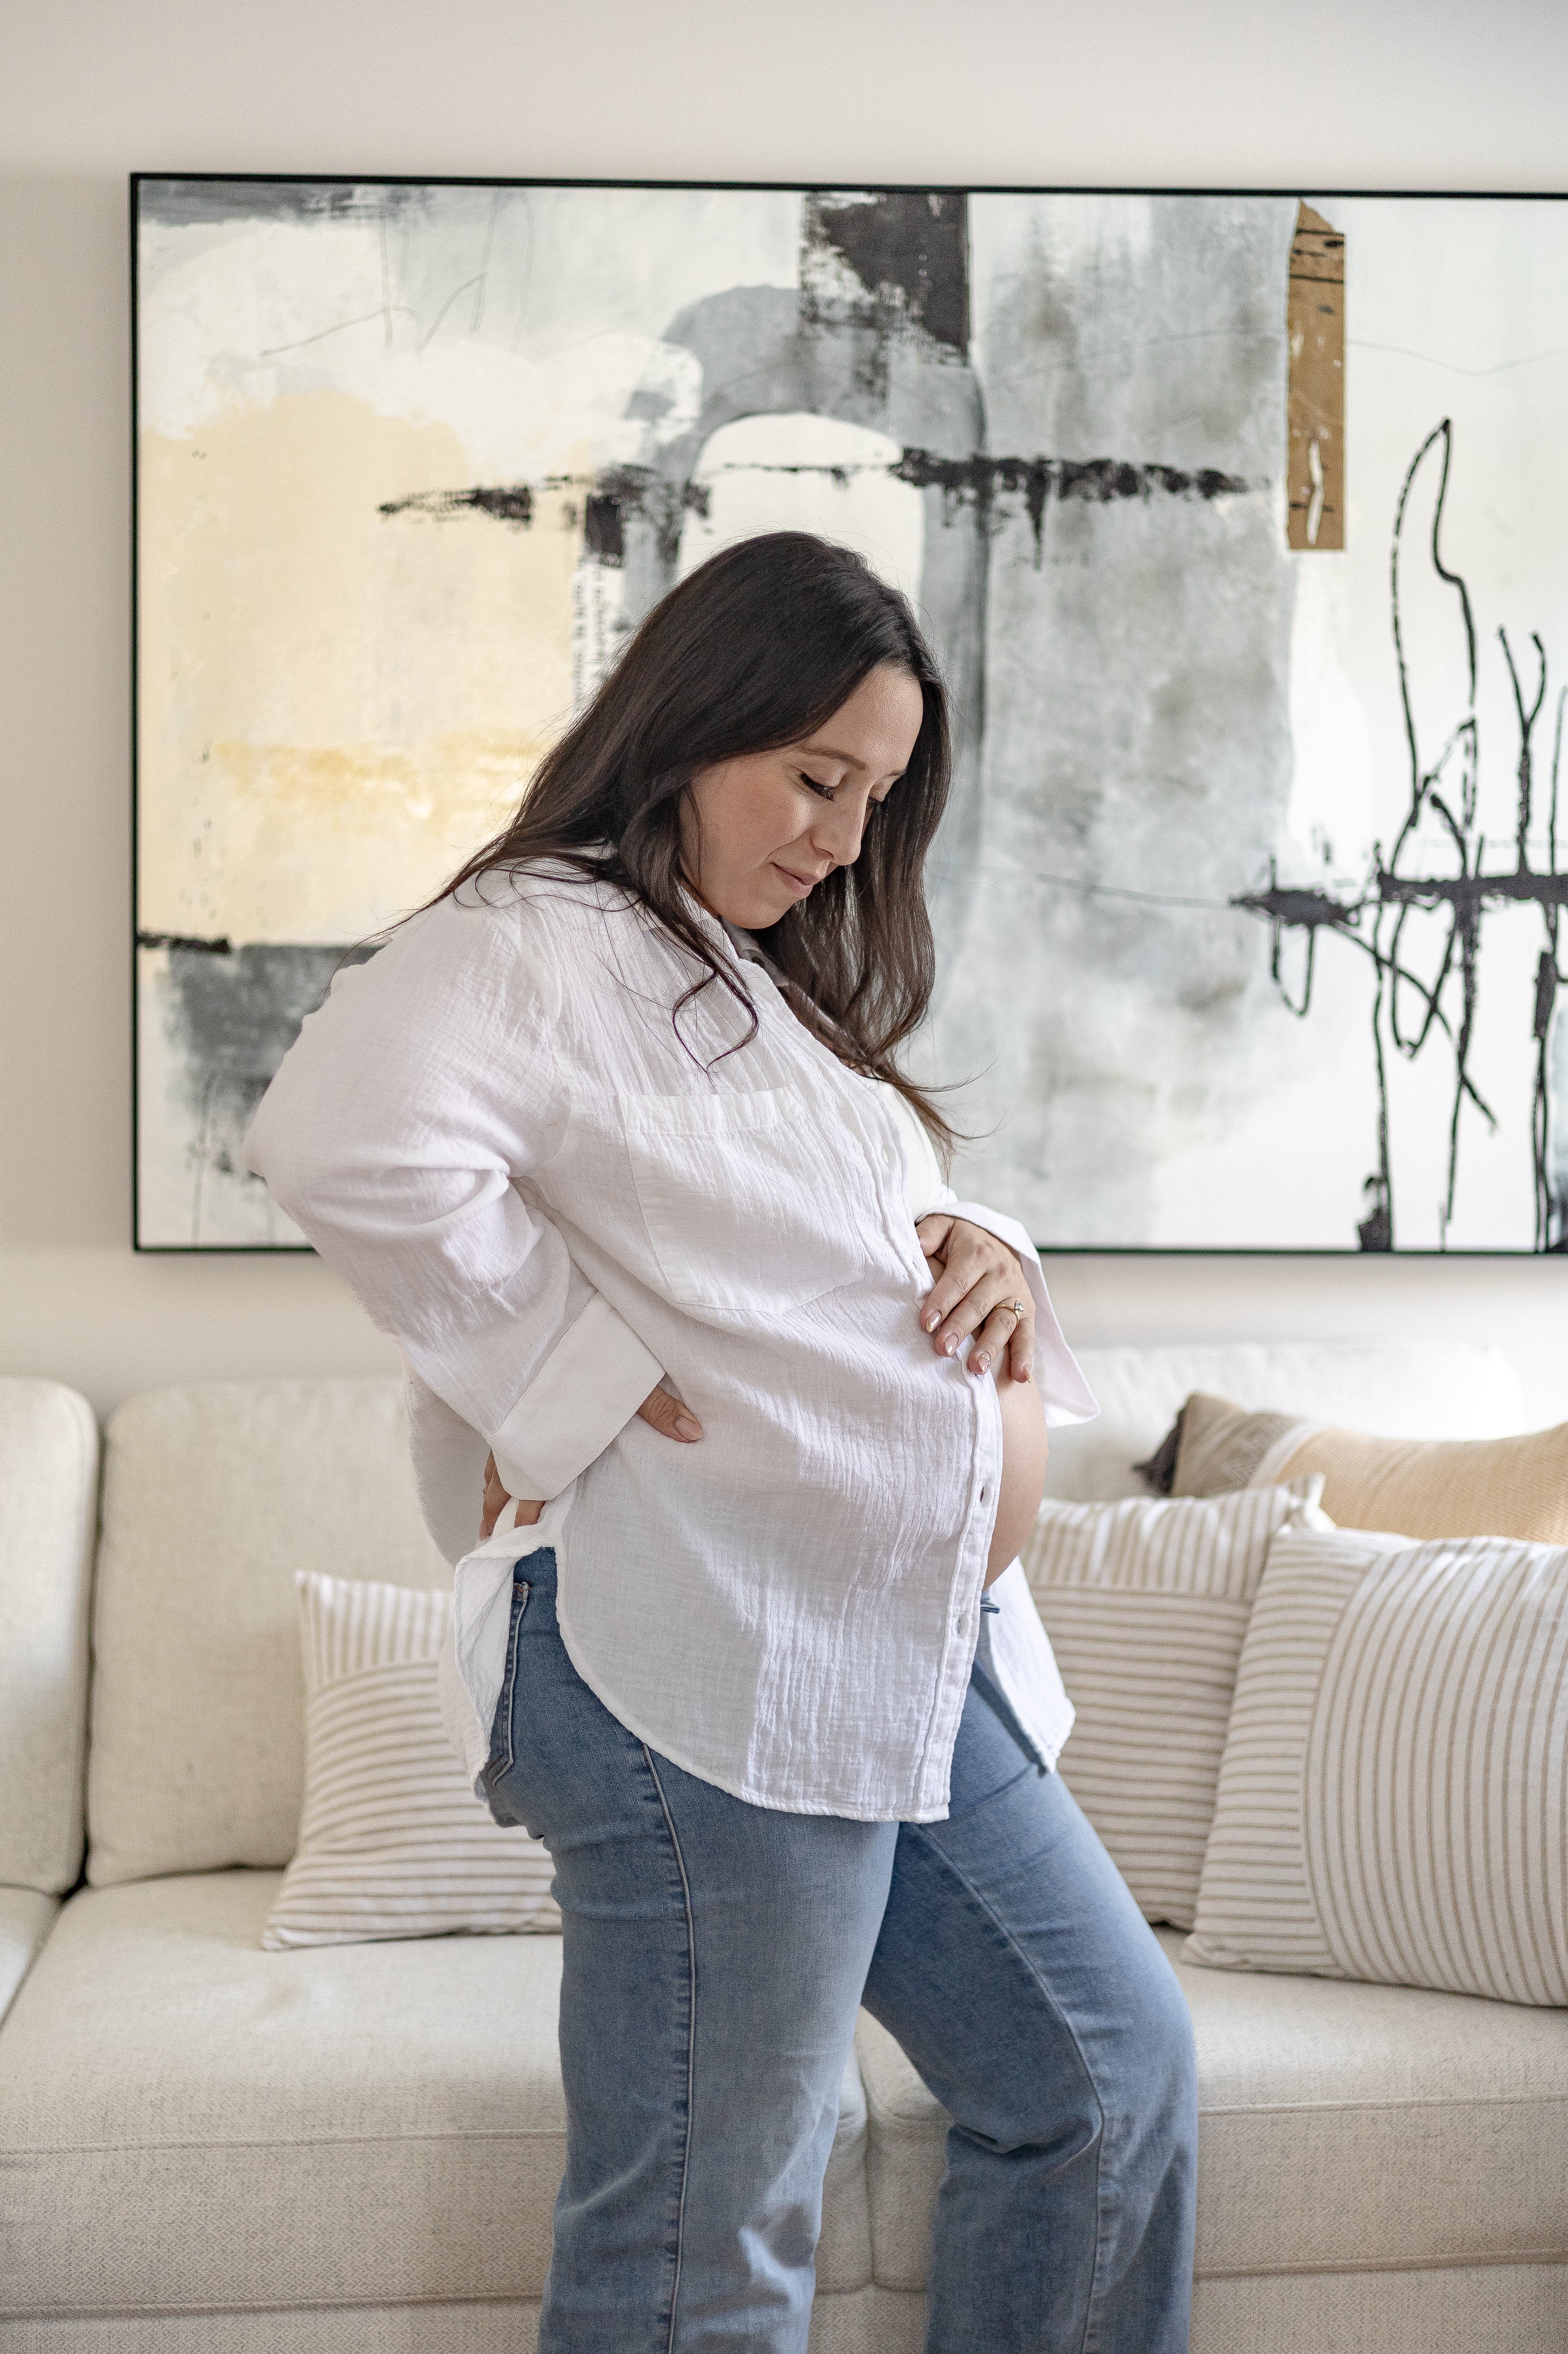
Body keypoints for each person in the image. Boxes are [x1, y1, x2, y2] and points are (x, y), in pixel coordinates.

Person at [244, 532, 1197, 2354]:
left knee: (1104, 2081)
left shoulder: (744, 974)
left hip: (898, 1650)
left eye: (877, 798)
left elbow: (814, 1239)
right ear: (695, 722)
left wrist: (989, 1250)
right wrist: (563, 1375)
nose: (844, 835)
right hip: (700, 1643)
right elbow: (334, 1136)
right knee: (707, 2234)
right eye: (817, 778)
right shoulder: (540, 937)